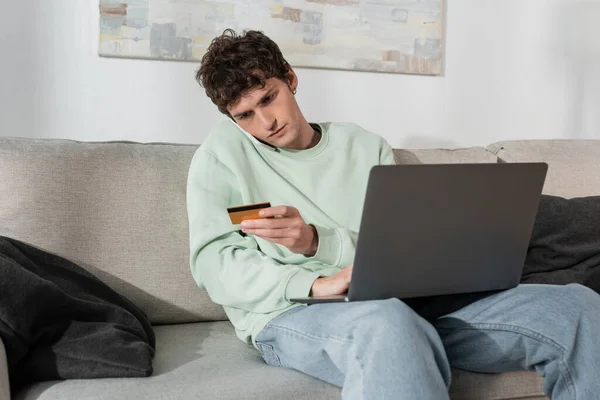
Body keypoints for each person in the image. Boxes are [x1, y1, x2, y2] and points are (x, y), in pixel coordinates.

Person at [186, 29, 600, 399]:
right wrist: (314, 282)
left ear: (291, 78)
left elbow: (392, 246)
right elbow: (213, 263)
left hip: (406, 303)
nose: (265, 121)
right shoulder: (223, 155)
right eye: (245, 115)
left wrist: (318, 241)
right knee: (388, 323)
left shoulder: (364, 146)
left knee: (577, 308)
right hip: (293, 314)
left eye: (269, 98)